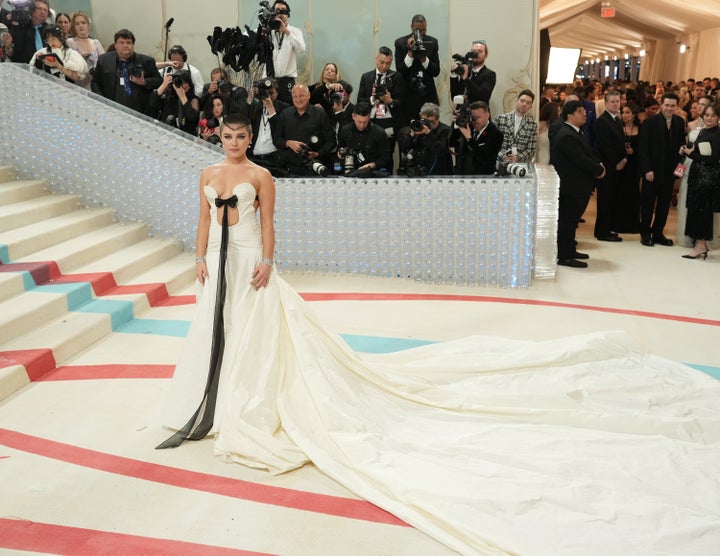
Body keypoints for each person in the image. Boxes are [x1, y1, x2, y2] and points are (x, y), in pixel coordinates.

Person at [157, 115, 720, 556]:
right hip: (216, 260)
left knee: (256, 329)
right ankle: (209, 391)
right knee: (216, 326)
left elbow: (271, 222)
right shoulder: (207, 175)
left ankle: (245, 395)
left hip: (252, 257)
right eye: (227, 135)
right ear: (218, 136)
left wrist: (269, 261)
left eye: (241, 135)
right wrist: (199, 258)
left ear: (251, 137)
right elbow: (206, 221)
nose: (233, 142)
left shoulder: (261, 176)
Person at [550, 100, 606, 268]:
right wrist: (598, 169)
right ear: (570, 116)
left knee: (572, 220)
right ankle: (564, 256)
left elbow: (587, 154)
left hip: (577, 185)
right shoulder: (567, 134)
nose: (585, 114)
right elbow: (580, 160)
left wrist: (597, 164)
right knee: (567, 220)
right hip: (571, 186)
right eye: (580, 111)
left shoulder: (576, 132)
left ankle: (570, 249)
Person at [638, 92, 686, 246]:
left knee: (664, 205)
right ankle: (645, 233)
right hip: (652, 171)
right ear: (661, 105)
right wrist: (647, 170)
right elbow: (643, 148)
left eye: (673, 106)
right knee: (648, 204)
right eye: (667, 105)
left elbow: (682, 148)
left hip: (670, 172)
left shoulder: (679, 122)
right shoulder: (649, 123)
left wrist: (679, 171)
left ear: (677, 106)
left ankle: (658, 233)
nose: (669, 109)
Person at [679, 102, 720, 259]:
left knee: (702, 213)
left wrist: (692, 154)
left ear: (718, 117)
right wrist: (685, 149)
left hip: (708, 179)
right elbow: (695, 148)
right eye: (707, 115)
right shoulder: (703, 132)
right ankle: (699, 245)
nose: (709, 118)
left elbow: (714, 159)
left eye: (713, 115)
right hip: (697, 176)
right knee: (695, 211)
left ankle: (701, 246)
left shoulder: (717, 134)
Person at [91, 29, 162, 115]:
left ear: (133, 45)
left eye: (128, 43)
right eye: (121, 42)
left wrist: (144, 82)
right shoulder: (104, 60)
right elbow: (95, 83)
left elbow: (159, 81)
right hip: (112, 110)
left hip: (139, 111)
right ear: (116, 45)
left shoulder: (146, 61)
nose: (125, 45)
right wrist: (102, 101)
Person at [273, 83, 335, 176]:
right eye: (295, 96)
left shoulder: (320, 114)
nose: (298, 100)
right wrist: (288, 143)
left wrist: (318, 153)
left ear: (309, 95)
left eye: (301, 96)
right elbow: (276, 139)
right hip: (289, 168)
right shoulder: (285, 114)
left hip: (314, 167)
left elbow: (331, 141)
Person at [357, 45, 408, 157]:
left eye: (388, 63)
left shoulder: (397, 77)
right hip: (370, 121)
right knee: (369, 153)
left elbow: (402, 102)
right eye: (382, 62)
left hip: (390, 121)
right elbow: (359, 101)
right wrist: (372, 98)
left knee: (387, 154)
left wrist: (390, 101)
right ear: (376, 58)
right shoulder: (366, 77)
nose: (384, 66)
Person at [593, 90, 627, 242]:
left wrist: (624, 157)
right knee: (605, 199)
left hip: (617, 165)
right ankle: (602, 232)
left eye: (617, 101)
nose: (615, 104)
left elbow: (620, 142)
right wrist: (617, 161)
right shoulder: (602, 121)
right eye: (612, 101)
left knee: (612, 199)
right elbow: (604, 146)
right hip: (607, 166)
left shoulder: (616, 119)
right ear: (605, 103)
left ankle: (607, 228)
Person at [393, 14, 440, 122]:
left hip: (427, 95)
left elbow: (436, 71)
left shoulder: (432, 42)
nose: (421, 33)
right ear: (411, 27)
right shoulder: (401, 43)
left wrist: (424, 58)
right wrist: (410, 52)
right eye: (418, 30)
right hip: (408, 95)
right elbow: (400, 71)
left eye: (424, 30)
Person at [336, 101, 393, 175]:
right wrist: (339, 154)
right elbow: (340, 148)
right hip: (349, 173)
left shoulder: (379, 133)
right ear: (353, 116)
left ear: (369, 116)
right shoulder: (345, 130)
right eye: (359, 122)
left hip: (372, 173)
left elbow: (386, 158)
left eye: (365, 122)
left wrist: (372, 164)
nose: (362, 125)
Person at [247, 77, 289, 174]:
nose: (268, 96)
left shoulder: (284, 108)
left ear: (277, 93)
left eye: (271, 93)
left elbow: (279, 132)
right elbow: (243, 121)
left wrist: (270, 108)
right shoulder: (256, 107)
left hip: (273, 160)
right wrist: (250, 98)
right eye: (266, 92)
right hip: (254, 158)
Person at [397, 101, 452, 176]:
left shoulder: (445, 130)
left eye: (432, 122)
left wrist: (428, 134)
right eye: (425, 121)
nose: (429, 124)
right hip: (418, 170)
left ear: (438, 119)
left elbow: (440, 150)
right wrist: (411, 134)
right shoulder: (418, 128)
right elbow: (404, 147)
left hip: (438, 170)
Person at [449, 100, 503, 175]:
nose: (474, 121)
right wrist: (456, 124)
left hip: (481, 178)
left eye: (478, 117)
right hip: (462, 175)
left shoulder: (495, 133)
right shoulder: (468, 126)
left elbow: (486, 159)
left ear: (487, 115)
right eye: (472, 117)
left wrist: (469, 138)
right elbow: (452, 143)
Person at [267, 0, 305, 104]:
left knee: (288, 111)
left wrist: (287, 32)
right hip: (269, 79)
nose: (280, 13)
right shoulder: (267, 31)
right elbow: (248, 36)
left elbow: (301, 49)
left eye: (283, 10)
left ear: (288, 14)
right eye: (277, 10)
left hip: (287, 81)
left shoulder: (295, 31)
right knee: (268, 110)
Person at [614, 103, 642, 234]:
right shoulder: (618, 127)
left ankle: (633, 224)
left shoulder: (640, 128)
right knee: (620, 192)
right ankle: (618, 224)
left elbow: (645, 146)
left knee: (633, 192)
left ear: (633, 114)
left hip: (634, 164)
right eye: (623, 112)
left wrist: (634, 151)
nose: (624, 115)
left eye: (627, 112)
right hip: (621, 164)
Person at [147, 69, 200, 136]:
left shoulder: (194, 99)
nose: (182, 85)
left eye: (185, 82)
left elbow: (192, 117)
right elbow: (152, 104)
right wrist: (164, 85)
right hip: (165, 134)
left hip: (185, 137)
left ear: (189, 84)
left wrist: (182, 96)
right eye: (180, 82)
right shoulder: (169, 96)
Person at [494, 89, 538, 164]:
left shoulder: (532, 124)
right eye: (522, 100)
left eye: (528, 103)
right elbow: (492, 143)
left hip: (520, 165)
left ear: (530, 107)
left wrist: (518, 157)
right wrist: (502, 156)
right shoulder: (500, 119)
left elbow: (531, 149)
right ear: (516, 101)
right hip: (499, 163)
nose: (524, 104)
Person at [65, 11, 104, 89]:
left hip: (99, 85)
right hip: (81, 86)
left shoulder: (96, 42)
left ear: (88, 25)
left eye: (83, 23)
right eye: (77, 24)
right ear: (73, 27)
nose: (81, 26)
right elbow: (67, 65)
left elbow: (105, 64)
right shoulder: (70, 42)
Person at [449, 39, 496, 105]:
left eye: (480, 51)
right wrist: (454, 74)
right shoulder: (466, 72)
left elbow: (482, 95)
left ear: (486, 55)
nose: (476, 54)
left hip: (479, 113)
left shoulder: (489, 74)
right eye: (474, 51)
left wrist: (465, 78)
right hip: (461, 113)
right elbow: (455, 96)